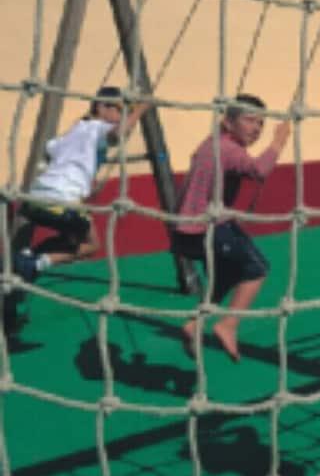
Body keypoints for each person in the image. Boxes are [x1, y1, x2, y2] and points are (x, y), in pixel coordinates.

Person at [172, 93, 290, 362]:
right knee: (257, 268)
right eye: (250, 121)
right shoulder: (228, 149)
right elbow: (259, 170)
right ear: (227, 122)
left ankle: (195, 323)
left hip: (187, 231)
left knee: (225, 276)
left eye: (261, 124)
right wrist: (278, 142)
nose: (257, 129)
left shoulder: (212, 144)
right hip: (206, 228)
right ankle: (228, 325)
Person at [16, 86, 150, 279]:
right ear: (100, 107)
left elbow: (50, 148)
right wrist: (141, 109)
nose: (122, 115)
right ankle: (37, 262)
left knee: (70, 239)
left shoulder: (75, 130)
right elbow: (120, 133)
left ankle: (30, 255)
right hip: (61, 199)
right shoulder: (99, 128)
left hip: (33, 198)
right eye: (119, 110)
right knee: (92, 245)